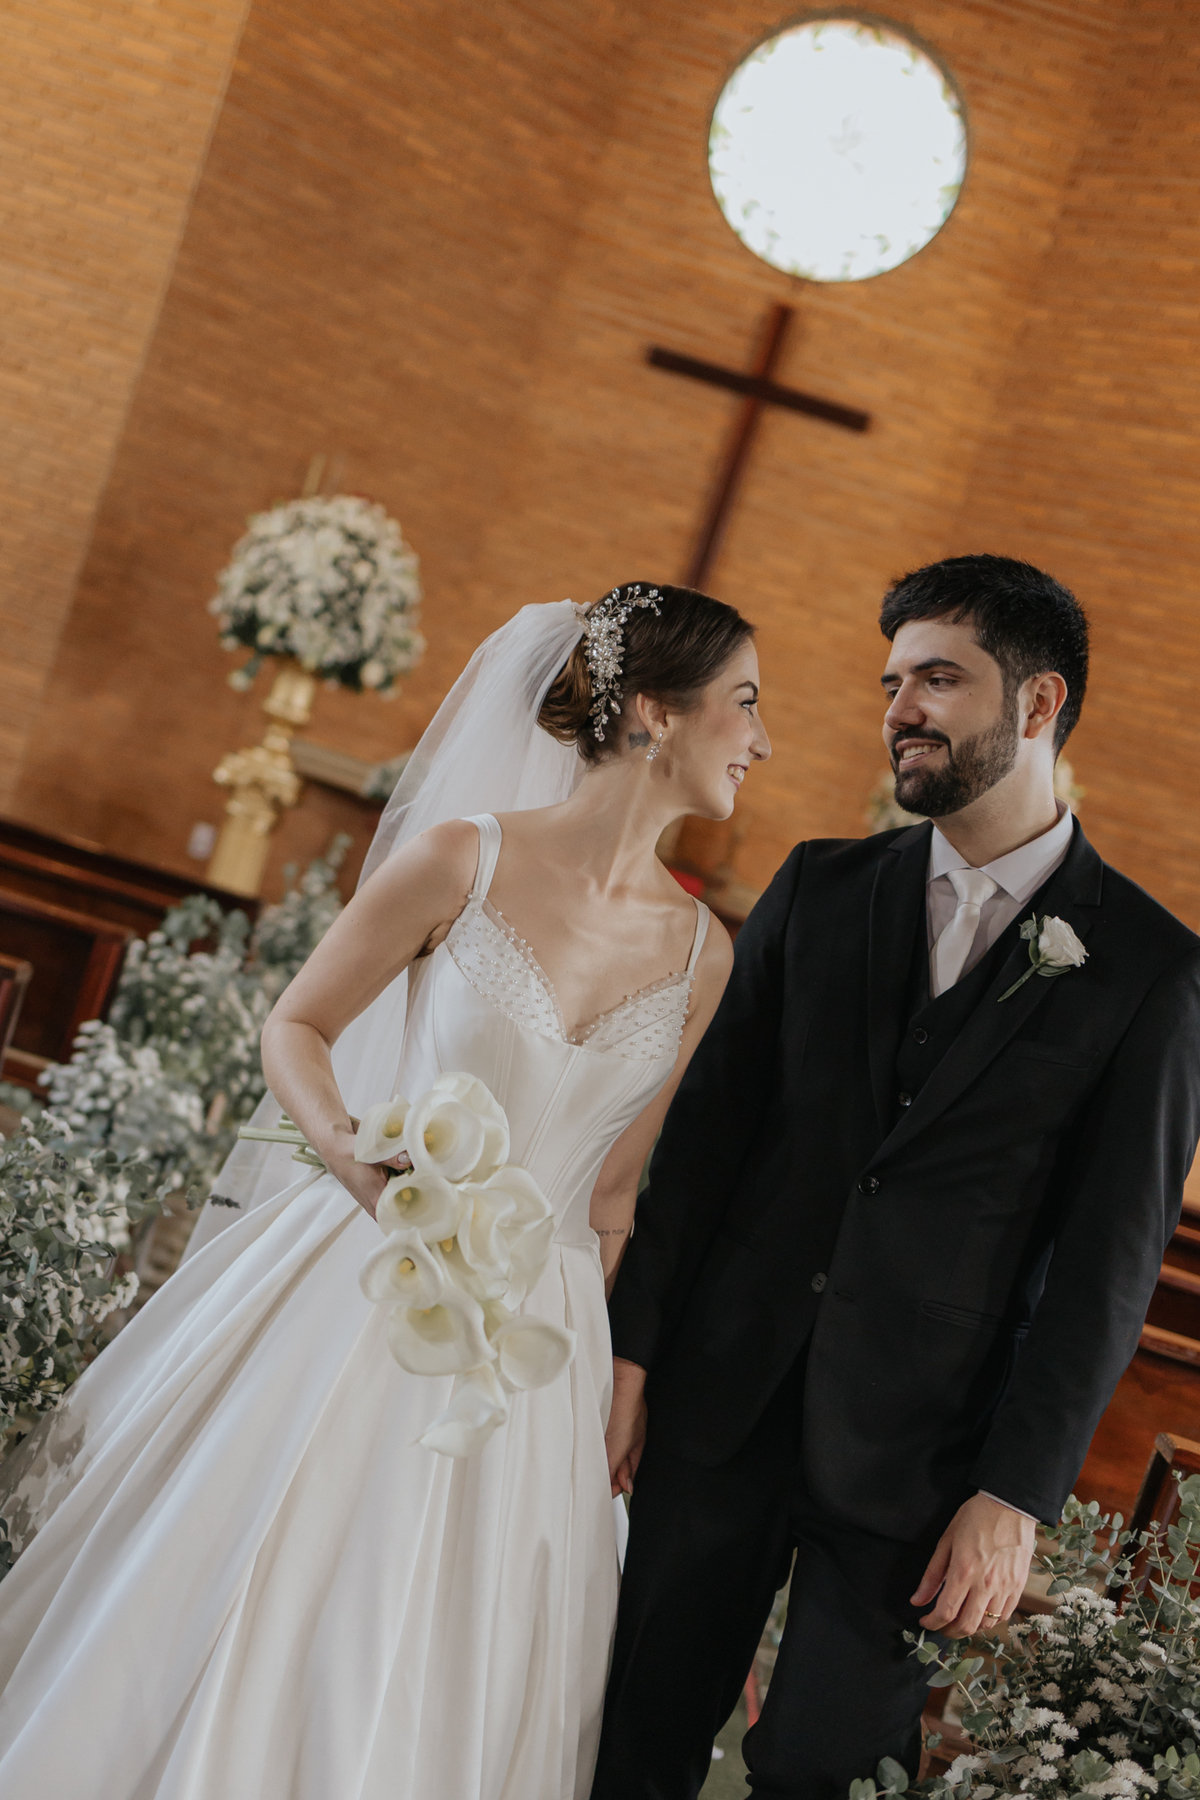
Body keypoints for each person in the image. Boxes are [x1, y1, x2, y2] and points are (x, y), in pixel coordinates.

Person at [0, 583, 769, 1800]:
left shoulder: (704, 953)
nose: (761, 740)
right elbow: (297, 1024)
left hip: (539, 1336)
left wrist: (588, 1376)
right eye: (744, 703)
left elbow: (615, 1188)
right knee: (279, 1570)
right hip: (368, 1265)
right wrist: (354, 1159)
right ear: (657, 715)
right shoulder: (464, 855)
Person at [593, 554, 1200, 1799]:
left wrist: (1015, 1494)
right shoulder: (820, 890)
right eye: (892, 683)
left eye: (938, 679)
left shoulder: (1152, 970)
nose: (901, 710)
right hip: (721, 1403)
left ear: (1039, 703)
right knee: (625, 1744)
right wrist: (632, 1355)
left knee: (826, 1775)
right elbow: (704, 1149)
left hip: (925, 1468)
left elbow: (1107, 1265)